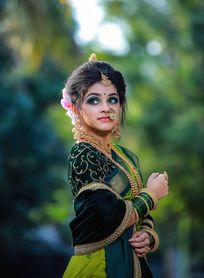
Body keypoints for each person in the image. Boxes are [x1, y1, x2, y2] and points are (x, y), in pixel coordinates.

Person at [60, 53, 169, 278]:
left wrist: (147, 236)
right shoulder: (83, 154)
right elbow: (106, 217)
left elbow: (139, 213)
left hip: (132, 265)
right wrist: (151, 195)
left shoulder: (126, 157)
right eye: (93, 100)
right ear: (77, 108)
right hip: (100, 267)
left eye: (113, 99)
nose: (106, 107)